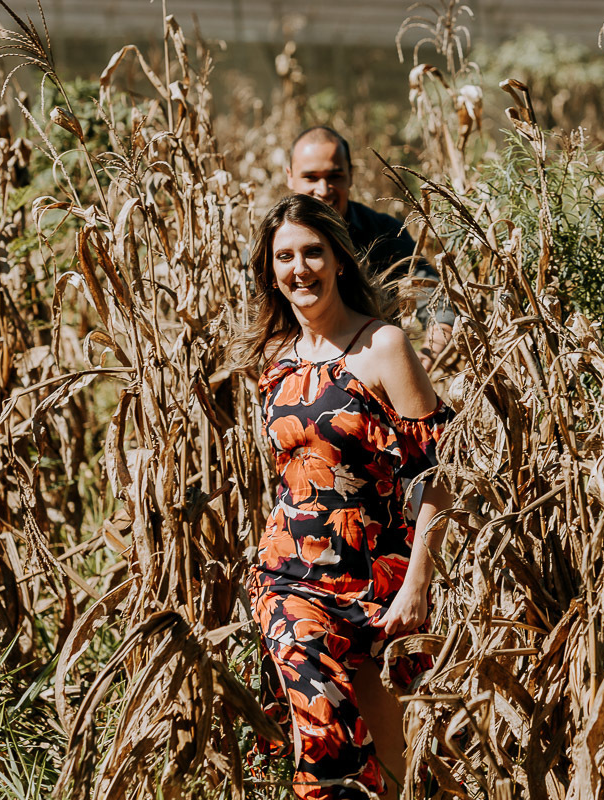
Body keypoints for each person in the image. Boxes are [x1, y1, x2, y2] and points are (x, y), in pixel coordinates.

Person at [233, 194, 453, 800]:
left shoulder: (382, 347)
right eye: (284, 257)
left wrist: (418, 584)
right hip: (292, 580)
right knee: (324, 731)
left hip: (378, 580)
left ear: (337, 260)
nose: (299, 269)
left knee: (403, 770)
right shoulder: (275, 361)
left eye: (312, 252)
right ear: (269, 271)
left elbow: (438, 475)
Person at [285, 126, 454, 368]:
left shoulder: (385, 232)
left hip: (378, 374)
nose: (323, 190)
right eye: (311, 177)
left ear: (351, 175)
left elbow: (437, 300)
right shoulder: (273, 241)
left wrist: (426, 357)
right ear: (290, 176)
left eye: (335, 176)